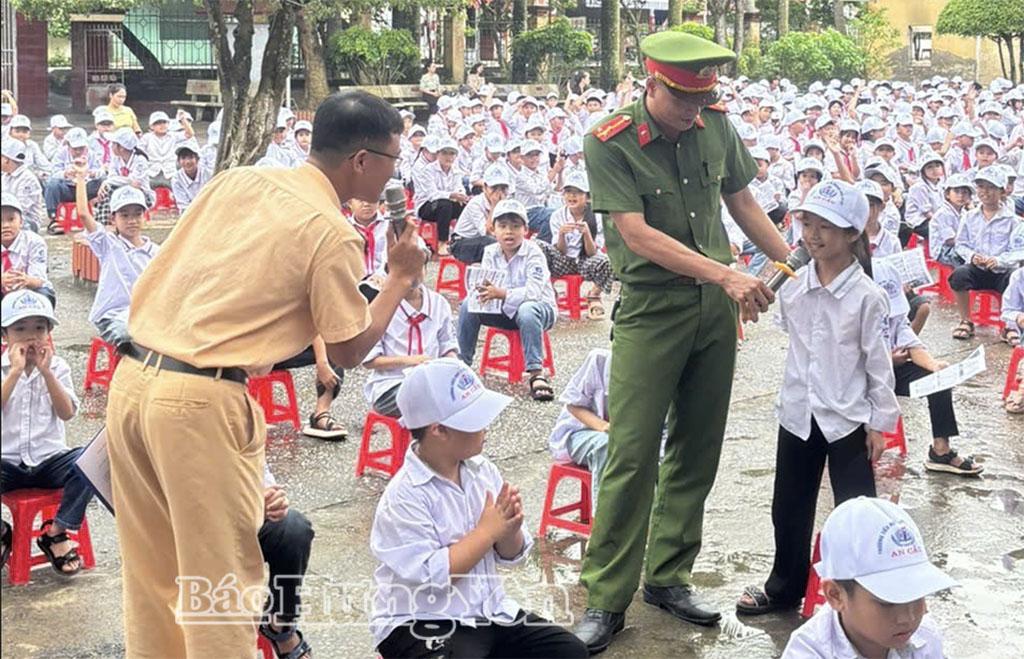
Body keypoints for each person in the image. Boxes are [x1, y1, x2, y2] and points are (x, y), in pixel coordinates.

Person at [103, 90, 426, 656]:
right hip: (198, 402)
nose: (393, 175)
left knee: (154, 577)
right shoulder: (331, 229)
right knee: (221, 585)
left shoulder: (238, 180)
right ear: (362, 160)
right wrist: (399, 278)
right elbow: (349, 349)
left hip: (133, 380)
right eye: (393, 161)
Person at [568, 33, 793, 654]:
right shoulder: (608, 138)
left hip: (715, 312)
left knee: (698, 447)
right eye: (684, 100)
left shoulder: (715, 125)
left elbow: (742, 201)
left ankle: (668, 575)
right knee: (632, 452)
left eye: (704, 99)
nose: (695, 111)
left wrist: (797, 266)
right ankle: (606, 597)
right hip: (652, 309)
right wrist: (726, 273)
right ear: (653, 84)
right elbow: (635, 235)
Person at [735, 180, 900, 617]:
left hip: (846, 417)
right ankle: (784, 586)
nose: (813, 235)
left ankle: (861, 594)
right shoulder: (791, 284)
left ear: (852, 235)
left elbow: (877, 365)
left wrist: (879, 423)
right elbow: (792, 337)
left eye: (827, 227)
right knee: (788, 503)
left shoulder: (867, 296)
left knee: (856, 509)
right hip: (798, 412)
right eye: (808, 223)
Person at [369, 358, 589, 659]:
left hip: (486, 611)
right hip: (422, 620)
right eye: (475, 419)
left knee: (570, 652)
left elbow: (512, 555)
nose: (486, 427)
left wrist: (508, 531)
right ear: (439, 431)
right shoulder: (404, 497)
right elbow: (437, 577)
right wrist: (487, 532)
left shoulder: (482, 471)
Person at [782, 497, 954, 658]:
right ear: (835, 595)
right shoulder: (807, 652)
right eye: (888, 602)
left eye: (917, 596)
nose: (908, 617)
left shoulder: (926, 637)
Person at [1, 289, 94, 577]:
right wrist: (15, 373)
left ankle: (57, 530)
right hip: (7, 463)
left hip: (49, 461)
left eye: (39, 328)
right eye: (20, 329)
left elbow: (67, 413)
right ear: (5, 335)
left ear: (49, 332)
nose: (31, 337)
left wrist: (47, 373)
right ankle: (2, 531)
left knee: (95, 459)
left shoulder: (59, 367)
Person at [871, 259, 982, 476]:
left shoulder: (896, 316)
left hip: (890, 369)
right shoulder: (853, 313)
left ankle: (941, 451)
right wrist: (886, 359)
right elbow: (849, 355)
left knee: (937, 381)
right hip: (859, 375)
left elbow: (911, 343)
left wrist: (934, 365)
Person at [456, 199, 558, 401]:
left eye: (515, 226)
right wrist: (482, 293)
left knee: (527, 310)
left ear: (526, 230)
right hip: (502, 309)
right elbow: (488, 286)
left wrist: (501, 293)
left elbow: (533, 292)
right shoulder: (490, 252)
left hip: (540, 311)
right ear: (493, 230)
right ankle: (462, 364)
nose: (509, 232)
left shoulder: (533, 252)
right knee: (468, 304)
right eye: (502, 226)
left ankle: (536, 374)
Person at [363, 247, 458, 416]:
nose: (412, 274)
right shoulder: (379, 308)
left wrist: (453, 367)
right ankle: (426, 441)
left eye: (418, 267)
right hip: (390, 385)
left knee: (464, 395)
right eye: (404, 269)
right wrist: (411, 361)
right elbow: (369, 361)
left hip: (432, 381)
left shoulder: (439, 303)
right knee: (436, 401)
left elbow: (447, 346)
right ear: (389, 272)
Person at [75, 173, 158, 348]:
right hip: (113, 316)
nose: (132, 221)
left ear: (145, 216)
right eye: (125, 216)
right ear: (114, 219)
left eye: (137, 214)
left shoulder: (155, 252)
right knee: (127, 336)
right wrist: (81, 178)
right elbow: (83, 214)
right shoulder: (109, 244)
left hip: (144, 315)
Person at [949, 167, 1020, 342]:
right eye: (981, 187)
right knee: (959, 275)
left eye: (990, 188)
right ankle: (966, 320)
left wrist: (999, 260)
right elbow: (961, 244)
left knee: (1015, 279)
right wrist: (972, 256)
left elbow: (1019, 250)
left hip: (1001, 271)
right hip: (977, 268)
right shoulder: (969, 216)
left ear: (1002, 191)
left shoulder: (1013, 221)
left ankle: (1009, 326)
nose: (985, 192)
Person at [537, 170, 613, 319]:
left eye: (578, 193)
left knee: (609, 261)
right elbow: (559, 251)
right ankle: (549, 291)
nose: (572, 196)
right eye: (569, 192)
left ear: (587, 197)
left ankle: (594, 295)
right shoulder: (558, 215)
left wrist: (587, 234)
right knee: (537, 246)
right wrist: (561, 235)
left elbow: (592, 253)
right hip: (564, 260)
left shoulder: (596, 216)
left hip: (585, 260)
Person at [257, 468, 315, 659]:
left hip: (246, 516)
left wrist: (273, 501)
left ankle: (279, 623)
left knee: (293, 528)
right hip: (195, 529)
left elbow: (260, 472)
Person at [548, 347, 611, 516]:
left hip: (628, 439)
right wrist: (604, 426)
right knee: (608, 445)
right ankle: (602, 522)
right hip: (582, 433)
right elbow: (573, 405)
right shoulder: (600, 359)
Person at [412, 137, 466, 256]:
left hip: (445, 204)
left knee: (464, 205)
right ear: (438, 154)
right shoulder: (428, 170)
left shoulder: (456, 171)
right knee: (444, 204)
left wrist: (461, 195)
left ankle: (461, 238)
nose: (448, 157)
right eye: (445, 153)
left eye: (452, 153)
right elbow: (432, 195)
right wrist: (451, 195)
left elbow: (459, 187)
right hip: (426, 207)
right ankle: (442, 242)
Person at [451, 165, 508, 264]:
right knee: (491, 243)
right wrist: (495, 205)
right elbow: (488, 233)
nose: (499, 193)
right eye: (494, 188)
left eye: (503, 188)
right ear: (485, 187)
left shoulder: (506, 202)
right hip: (462, 243)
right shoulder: (476, 203)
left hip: (482, 241)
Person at [1, 192, 53, 303]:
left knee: (43, 295)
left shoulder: (34, 242)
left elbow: (39, 279)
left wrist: (25, 280)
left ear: (21, 222)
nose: (5, 225)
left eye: (11, 219)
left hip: (30, 288)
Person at [139, 110, 193, 188]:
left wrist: (183, 120)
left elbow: (189, 134)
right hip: (151, 172)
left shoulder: (172, 136)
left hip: (170, 172)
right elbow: (140, 152)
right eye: (158, 123)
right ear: (151, 126)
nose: (162, 125)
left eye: (164, 122)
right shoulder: (147, 137)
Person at [2, 139, 46, 233]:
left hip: (27, 221)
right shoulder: (5, 176)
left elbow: (20, 209)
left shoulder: (27, 179)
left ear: (6, 159)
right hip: (6, 215)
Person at [928, 173, 972, 267]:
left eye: (964, 192)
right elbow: (950, 240)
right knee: (967, 259)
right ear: (947, 194)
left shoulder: (964, 213)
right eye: (956, 192)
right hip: (944, 251)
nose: (960, 196)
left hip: (958, 245)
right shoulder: (943, 213)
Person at [170, 139, 212, 214]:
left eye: (190, 157)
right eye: (183, 158)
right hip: (189, 213)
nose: (187, 162)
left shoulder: (208, 174)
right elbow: (183, 205)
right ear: (178, 161)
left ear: (197, 159)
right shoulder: (176, 180)